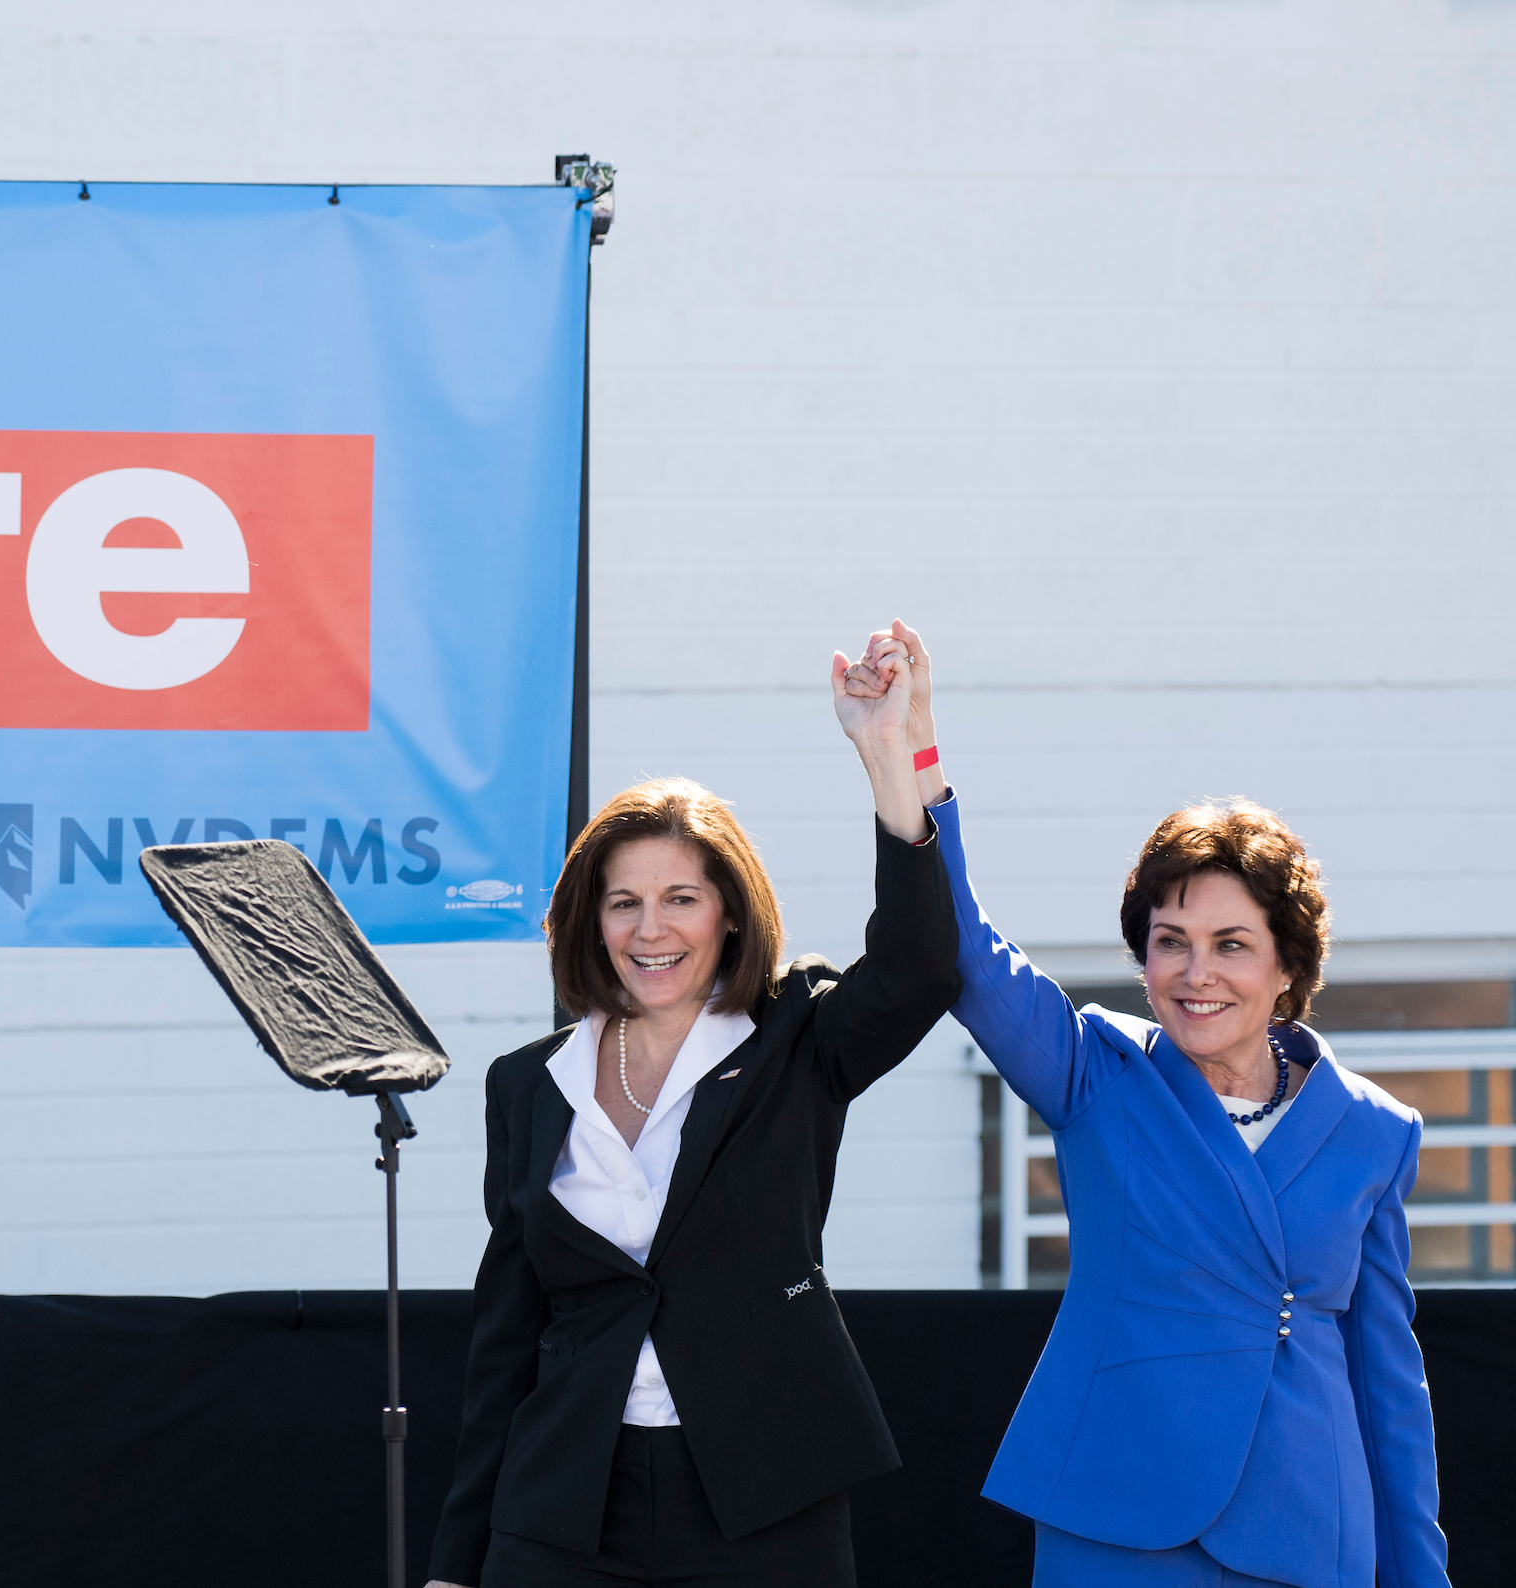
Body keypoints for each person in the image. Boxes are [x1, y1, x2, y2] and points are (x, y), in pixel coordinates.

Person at [841, 620, 1449, 1588]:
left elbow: (1388, 1381)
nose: (1195, 974)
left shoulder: (1376, 1128)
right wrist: (904, 753)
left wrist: (1420, 1574)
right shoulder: (1098, 1074)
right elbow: (968, 954)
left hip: (1305, 1524)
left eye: (1231, 944)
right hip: (1119, 1511)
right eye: (1170, 940)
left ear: (1289, 964)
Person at [424, 646, 961, 1588]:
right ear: (589, 920)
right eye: (623, 902)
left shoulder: (798, 1038)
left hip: (763, 1498)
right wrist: (455, 1564)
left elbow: (922, 966)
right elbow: (505, 1339)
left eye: (681, 898)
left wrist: (891, 757)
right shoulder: (525, 1085)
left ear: (729, 913)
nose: (650, 929)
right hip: (565, 1508)